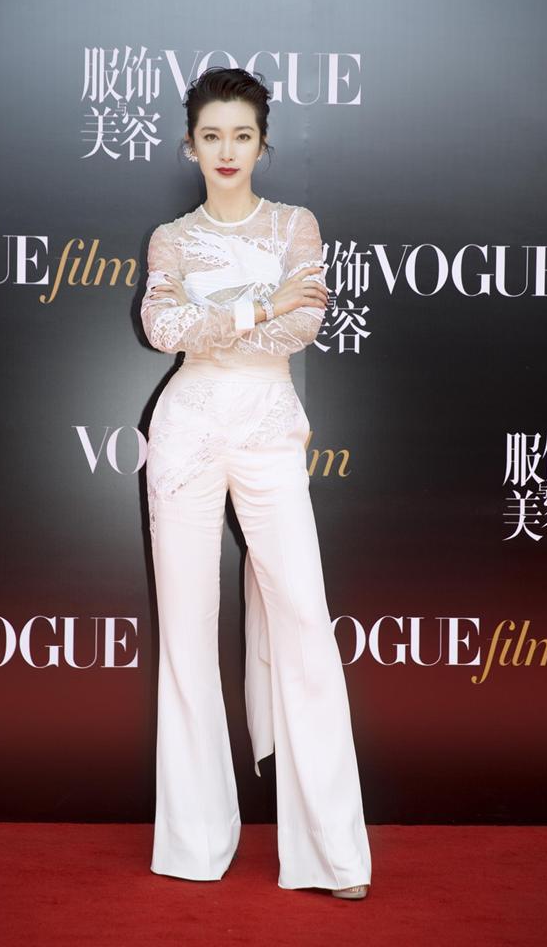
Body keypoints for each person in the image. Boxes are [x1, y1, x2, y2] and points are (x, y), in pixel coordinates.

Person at [140, 66, 372, 899]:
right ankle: (196, 841)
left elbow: (305, 321)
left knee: (304, 618)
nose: (227, 150)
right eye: (212, 135)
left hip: (270, 431)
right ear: (190, 146)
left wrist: (235, 316)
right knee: (186, 635)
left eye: (242, 135)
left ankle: (332, 855)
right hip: (186, 435)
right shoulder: (170, 238)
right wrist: (257, 305)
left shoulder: (295, 225)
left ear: (262, 144)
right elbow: (162, 326)